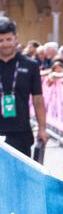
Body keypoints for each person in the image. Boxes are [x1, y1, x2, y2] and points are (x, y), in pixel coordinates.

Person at [0, 18, 47, 157]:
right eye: (1, 40)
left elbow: (38, 100)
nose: (5, 44)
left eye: (9, 39)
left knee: (18, 177)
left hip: (21, 131)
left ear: (16, 38)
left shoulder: (30, 65)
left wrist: (42, 129)